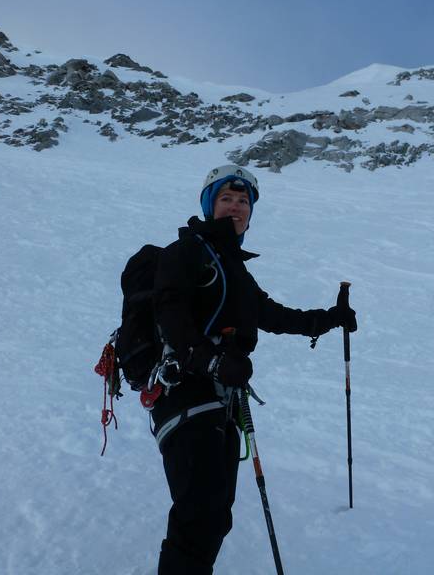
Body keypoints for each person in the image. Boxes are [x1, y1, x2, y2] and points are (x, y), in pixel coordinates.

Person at [150, 164, 357, 574]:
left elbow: (274, 315)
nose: (236, 207)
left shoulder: (233, 267)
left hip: (222, 401)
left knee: (214, 515)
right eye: (226, 198)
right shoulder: (188, 252)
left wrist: (331, 318)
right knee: (199, 515)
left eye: (244, 201)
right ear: (210, 206)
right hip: (187, 397)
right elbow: (168, 311)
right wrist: (208, 360)